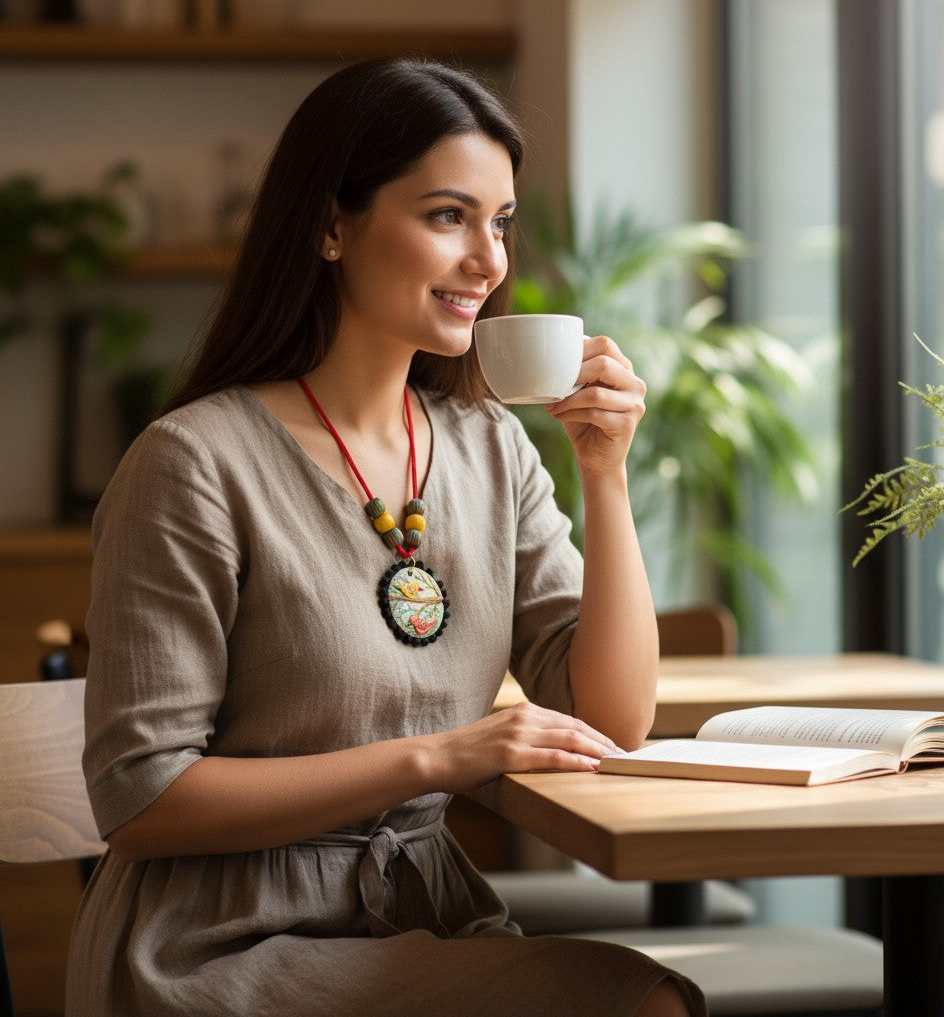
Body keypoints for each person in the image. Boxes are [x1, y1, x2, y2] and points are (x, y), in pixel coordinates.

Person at [66, 57, 706, 1017]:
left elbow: (612, 720)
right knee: (635, 1004)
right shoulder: (191, 462)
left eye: (500, 223)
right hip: (216, 946)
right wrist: (442, 756)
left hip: (420, 924)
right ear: (331, 225)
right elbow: (142, 801)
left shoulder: (490, 446)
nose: (489, 261)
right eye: (449, 216)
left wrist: (604, 473)